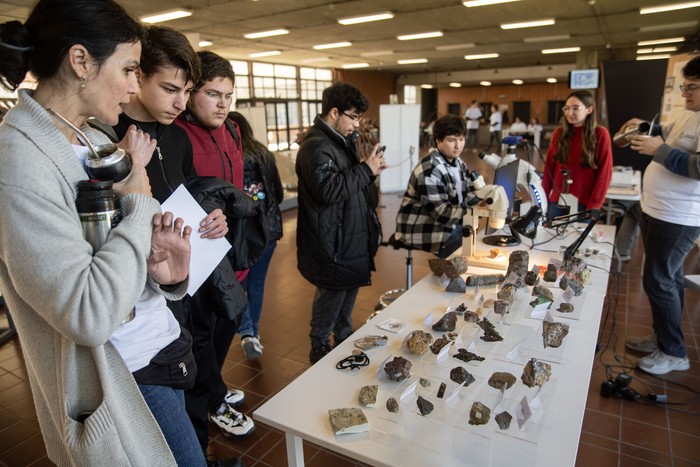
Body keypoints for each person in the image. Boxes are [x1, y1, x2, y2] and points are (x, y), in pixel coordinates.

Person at [0, 1, 206, 465]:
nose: (135, 86)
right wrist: (136, 203)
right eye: (130, 69)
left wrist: (164, 273)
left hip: (159, 345)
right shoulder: (18, 162)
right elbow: (87, 313)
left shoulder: (91, 137)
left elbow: (116, 254)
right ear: (80, 62)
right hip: (121, 376)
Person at [110, 28, 247, 465]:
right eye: (170, 89)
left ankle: (201, 450)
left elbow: (184, 195)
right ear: (137, 75)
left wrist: (213, 217)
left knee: (199, 368)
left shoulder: (176, 136)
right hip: (142, 294)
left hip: (190, 275)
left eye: (187, 91)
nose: (180, 103)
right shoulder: (111, 135)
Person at [175, 51, 256, 447]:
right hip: (202, 264)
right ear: (192, 93)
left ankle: (215, 387)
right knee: (202, 338)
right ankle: (213, 401)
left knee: (225, 331)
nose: (223, 103)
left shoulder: (234, 130)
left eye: (228, 93)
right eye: (212, 93)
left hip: (234, 256)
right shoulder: (177, 135)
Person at [296, 82, 387, 363]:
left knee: (347, 292)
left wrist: (369, 172)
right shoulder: (315, 146)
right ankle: (320, 345)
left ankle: (344, 336)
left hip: (348, 235)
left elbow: (349, 187)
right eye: (353, 117)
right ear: (334, 112)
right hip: (331, 241)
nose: (357, 124)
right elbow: (329, 191)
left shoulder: (339, 142)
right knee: (332, 296)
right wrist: (365, 169)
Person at [623, 55, 700, 375]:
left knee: (658, 279)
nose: (685, 93)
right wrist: (646, 128)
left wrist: (659, 149)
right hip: (659, 210)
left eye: (692, 87)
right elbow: (665, 134)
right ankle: (663, 336)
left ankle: (674, 352)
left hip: (679, 216)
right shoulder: (689, 114)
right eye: (684, 86)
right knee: (666, 280)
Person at [228, 111, 284, 360]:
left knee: (238, 283)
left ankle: (247, 330)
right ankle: (254, 333)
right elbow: (278, 194)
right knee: (257, 284)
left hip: (239, 234)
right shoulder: (263, 151)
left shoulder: (232, 155)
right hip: (268, 230)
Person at [395, 114, 471, 258]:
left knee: (474, 232)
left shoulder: (458, 163)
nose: (458, 145)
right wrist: (473, 213)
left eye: (461, 139)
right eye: (451, 140)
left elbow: (469, 195)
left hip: (446, 222)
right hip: (421, 227)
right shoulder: (430, 169)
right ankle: (450, 277)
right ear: (438, 141)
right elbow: (441, 213)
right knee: (465, 238)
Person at [541, 90, 613, 219]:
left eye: (576, 108)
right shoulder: (559, 134)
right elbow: (548, 170)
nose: (569, 113)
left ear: (589, 110)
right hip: (557, 201)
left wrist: (594, 205)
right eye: (567, 108)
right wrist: (542, 199)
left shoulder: (600, 134)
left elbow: (604, 174)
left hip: (583, 204)